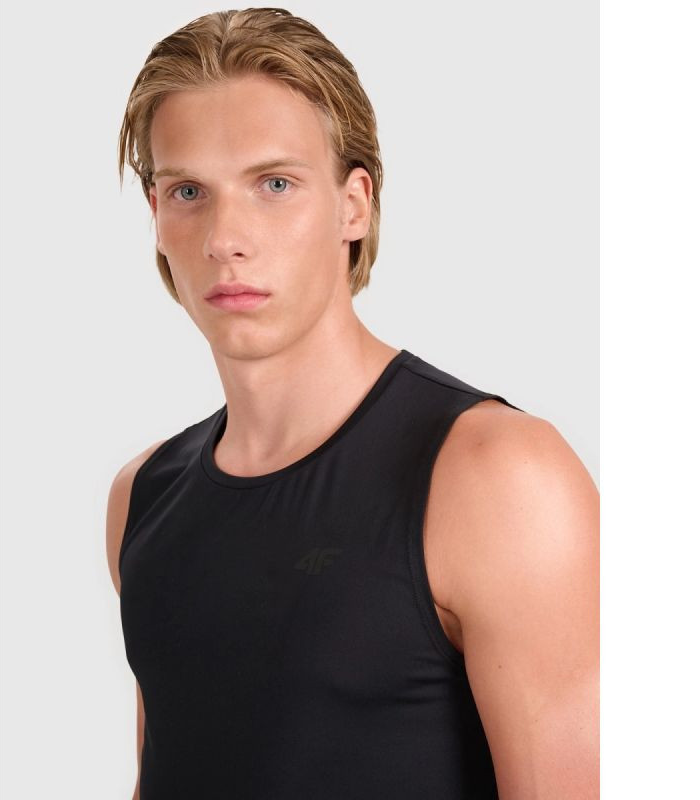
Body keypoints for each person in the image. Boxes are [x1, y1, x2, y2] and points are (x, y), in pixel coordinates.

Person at [106, 9, 599, 800]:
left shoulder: (499, 478)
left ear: (354, 204)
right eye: (189, 191)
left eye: (274, 184)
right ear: (157, 217)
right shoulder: (142, 496)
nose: (226, 237)